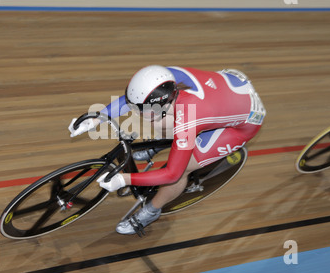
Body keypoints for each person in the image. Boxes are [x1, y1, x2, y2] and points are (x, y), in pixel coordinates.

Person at [68, 65, 266, 235]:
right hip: (230, 88)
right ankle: (161, 144)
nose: (136, 112)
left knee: (183, 169)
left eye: (143, 108)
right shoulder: (163, 77)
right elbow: (132, 101)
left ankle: (152, 211)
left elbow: (172, 174)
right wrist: (96, 118)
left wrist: (124, 180)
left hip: (242, 124)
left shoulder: (190, 117)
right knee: (157, 119)